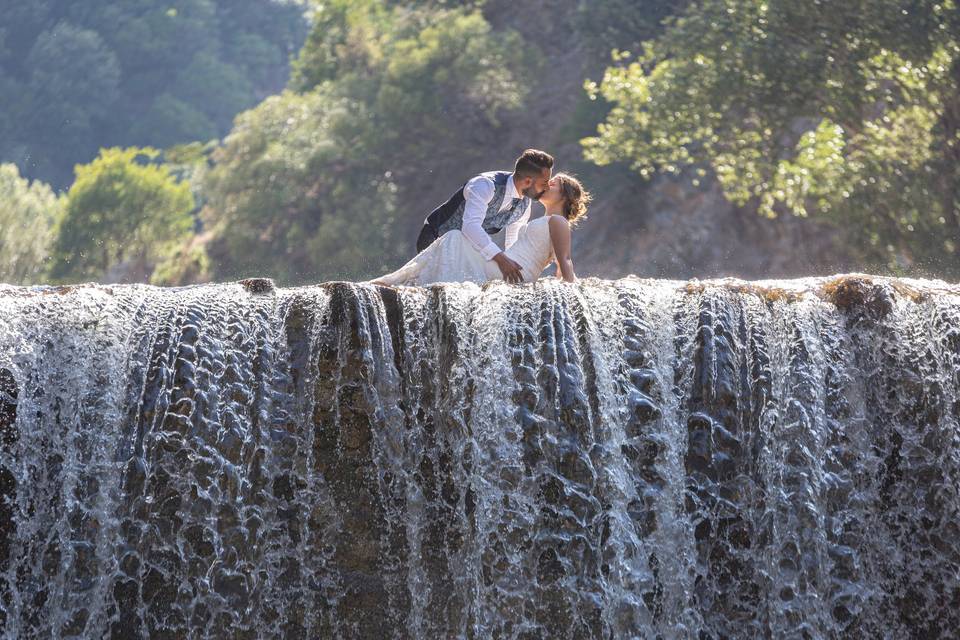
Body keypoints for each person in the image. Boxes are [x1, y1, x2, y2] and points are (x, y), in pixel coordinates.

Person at [371, 173, 591, 286]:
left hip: (514, 274)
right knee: (454, 238)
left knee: (454, 238)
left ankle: (401, 282)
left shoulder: (558, 222)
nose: (546, 184)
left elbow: (565, 260)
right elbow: (559, 266)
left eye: (553, 183)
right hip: (508, 268)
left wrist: (573, 290)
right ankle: (407, 282)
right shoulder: (543, 218)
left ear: (565, 195)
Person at [414, 149, 554, 284]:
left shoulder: (525, 203)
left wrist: (516, 265)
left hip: (466, 249)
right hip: (435, 238)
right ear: (528, 182)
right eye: (544, 183)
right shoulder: (484, 185)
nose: (547, 187)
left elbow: (512, 241)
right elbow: (470, 227)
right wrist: (502, 260)